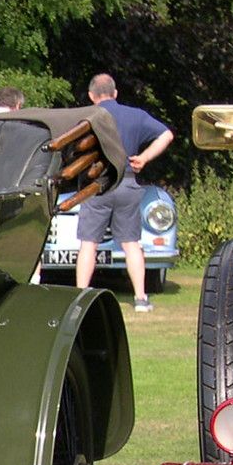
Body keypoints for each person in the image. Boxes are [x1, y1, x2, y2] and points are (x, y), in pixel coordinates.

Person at [75, 73, 174, 312]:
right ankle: (141, 298)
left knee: (88, 244)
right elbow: (167, 134)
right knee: (131, 243)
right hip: (127, 182)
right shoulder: (136, 115)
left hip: (97, 184)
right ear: (115, 93)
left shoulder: (86, 117)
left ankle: (78, 299)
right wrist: (144, 158)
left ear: (91, 96)